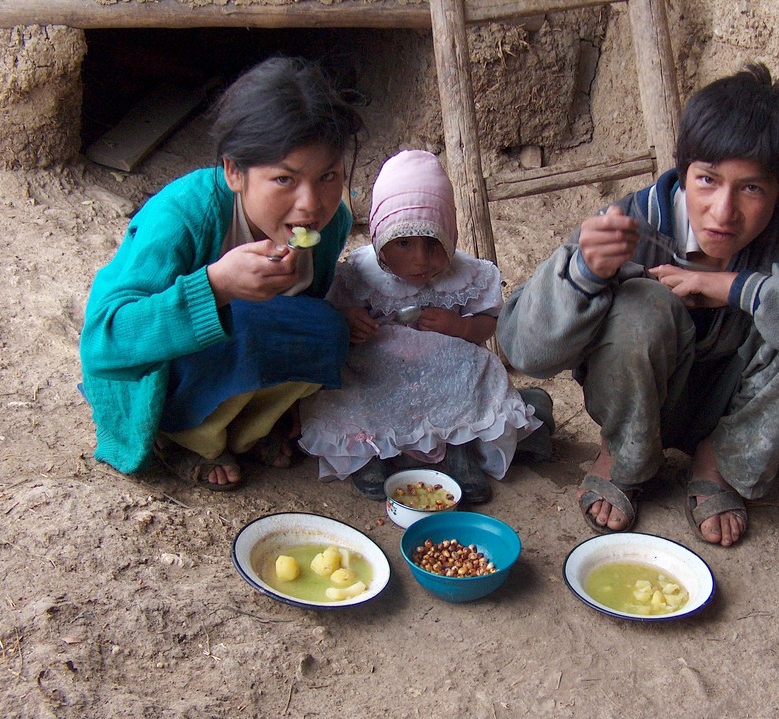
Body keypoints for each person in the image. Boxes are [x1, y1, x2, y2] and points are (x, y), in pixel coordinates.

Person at [496, 63, 779, 546]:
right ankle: (626, 456)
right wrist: (582, 273)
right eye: (707, 180)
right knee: (640, 306)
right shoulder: (633, 222)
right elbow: (523, 353)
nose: (723, 210)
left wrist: (740, 289)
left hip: (743, 405)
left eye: (751, 187)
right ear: (684, 172)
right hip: (643, 400)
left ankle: (721, 462)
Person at [79, 56, 364, 491]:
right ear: (234, 171)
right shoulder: (183, 216)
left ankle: (247, 430)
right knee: (248, 321)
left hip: (234, 361)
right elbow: (103, 343)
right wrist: (215, 286)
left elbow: (300, 315)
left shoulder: (334, 222)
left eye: (328, 176)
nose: (311, 203)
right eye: (285, 179)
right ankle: (182, 437)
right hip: (159, 381)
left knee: (327, 330)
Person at [298, 150, 548, 503]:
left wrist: (459, 328)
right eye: (403, 243)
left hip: (447, 369)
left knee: (475, 368)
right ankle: (370, 452)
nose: (420, 259)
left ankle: (461, 450)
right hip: (380, 366)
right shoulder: (360, 272)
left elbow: (487, 324)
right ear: (380, 238)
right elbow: (338, 310)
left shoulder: (468, 275)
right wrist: (352, 322)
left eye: (433, 244)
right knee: (354, 386)